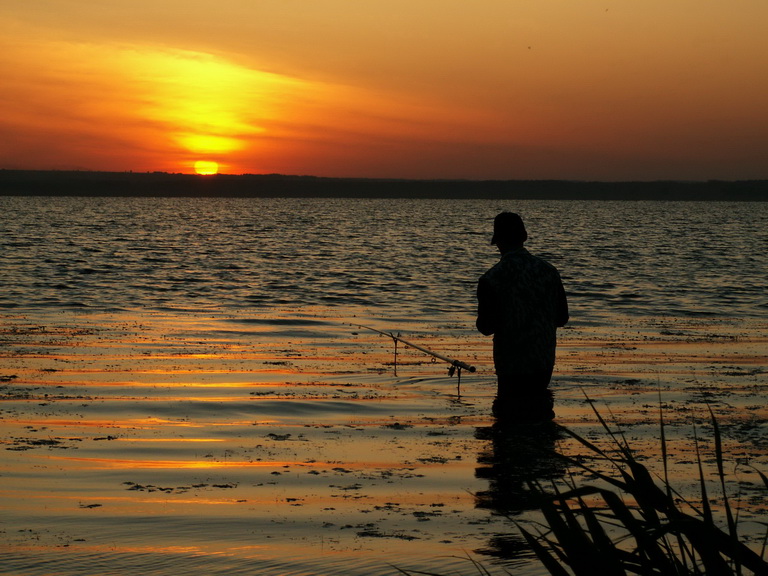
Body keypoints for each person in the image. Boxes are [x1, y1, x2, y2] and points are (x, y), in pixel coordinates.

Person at [476, 212, 569, 424]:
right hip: (543, 361)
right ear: (524, 237)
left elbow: (485, 327)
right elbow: (562, 318)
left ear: (497, 241)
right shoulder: (549, 271)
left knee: (508, 423)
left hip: (510, 365)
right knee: (541, 422)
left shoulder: (491, 278)